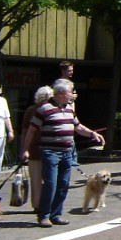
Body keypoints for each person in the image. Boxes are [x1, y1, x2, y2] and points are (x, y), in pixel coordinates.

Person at [21, 78, 104, 228]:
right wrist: (25, 150)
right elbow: (31, 130)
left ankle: (56, 214)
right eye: (70, 91)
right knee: (50, 184)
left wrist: (93, 134)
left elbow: (78, 127)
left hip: (66, 152)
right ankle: (43, 215)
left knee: (63, 184)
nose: (72, 94)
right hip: (50, 152)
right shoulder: (44, 109)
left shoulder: (69, 109)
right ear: (60, 94)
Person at [18, 86, 53, 211]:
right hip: (38, 149)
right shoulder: (33, 110)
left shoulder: (32, 110)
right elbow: (26, 130)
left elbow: (24, 131)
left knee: (41, 179)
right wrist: (24, 149)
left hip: (42, 149)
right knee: (41, 179)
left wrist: (23, 149)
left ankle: (40, 204)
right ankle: (41, 205)